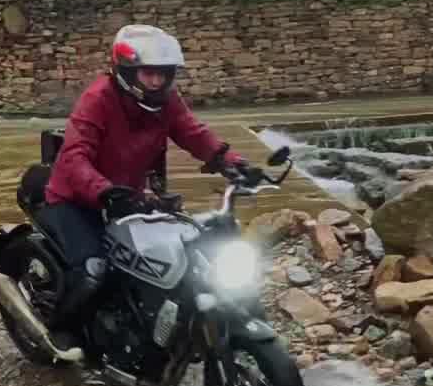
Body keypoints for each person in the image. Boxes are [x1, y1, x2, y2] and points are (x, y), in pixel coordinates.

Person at [41, 24, 266, 340]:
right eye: (149, 74)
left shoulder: (167, 101)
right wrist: (102, 191)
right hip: (76, 199)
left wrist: (233, 163)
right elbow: (74, 156)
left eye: (164, 73)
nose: (157, 81)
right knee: (93, 270)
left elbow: (193, 133)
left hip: (126, 197)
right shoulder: (98, 99)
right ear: (128, 72)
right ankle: (60, 333)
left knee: (181, 260)